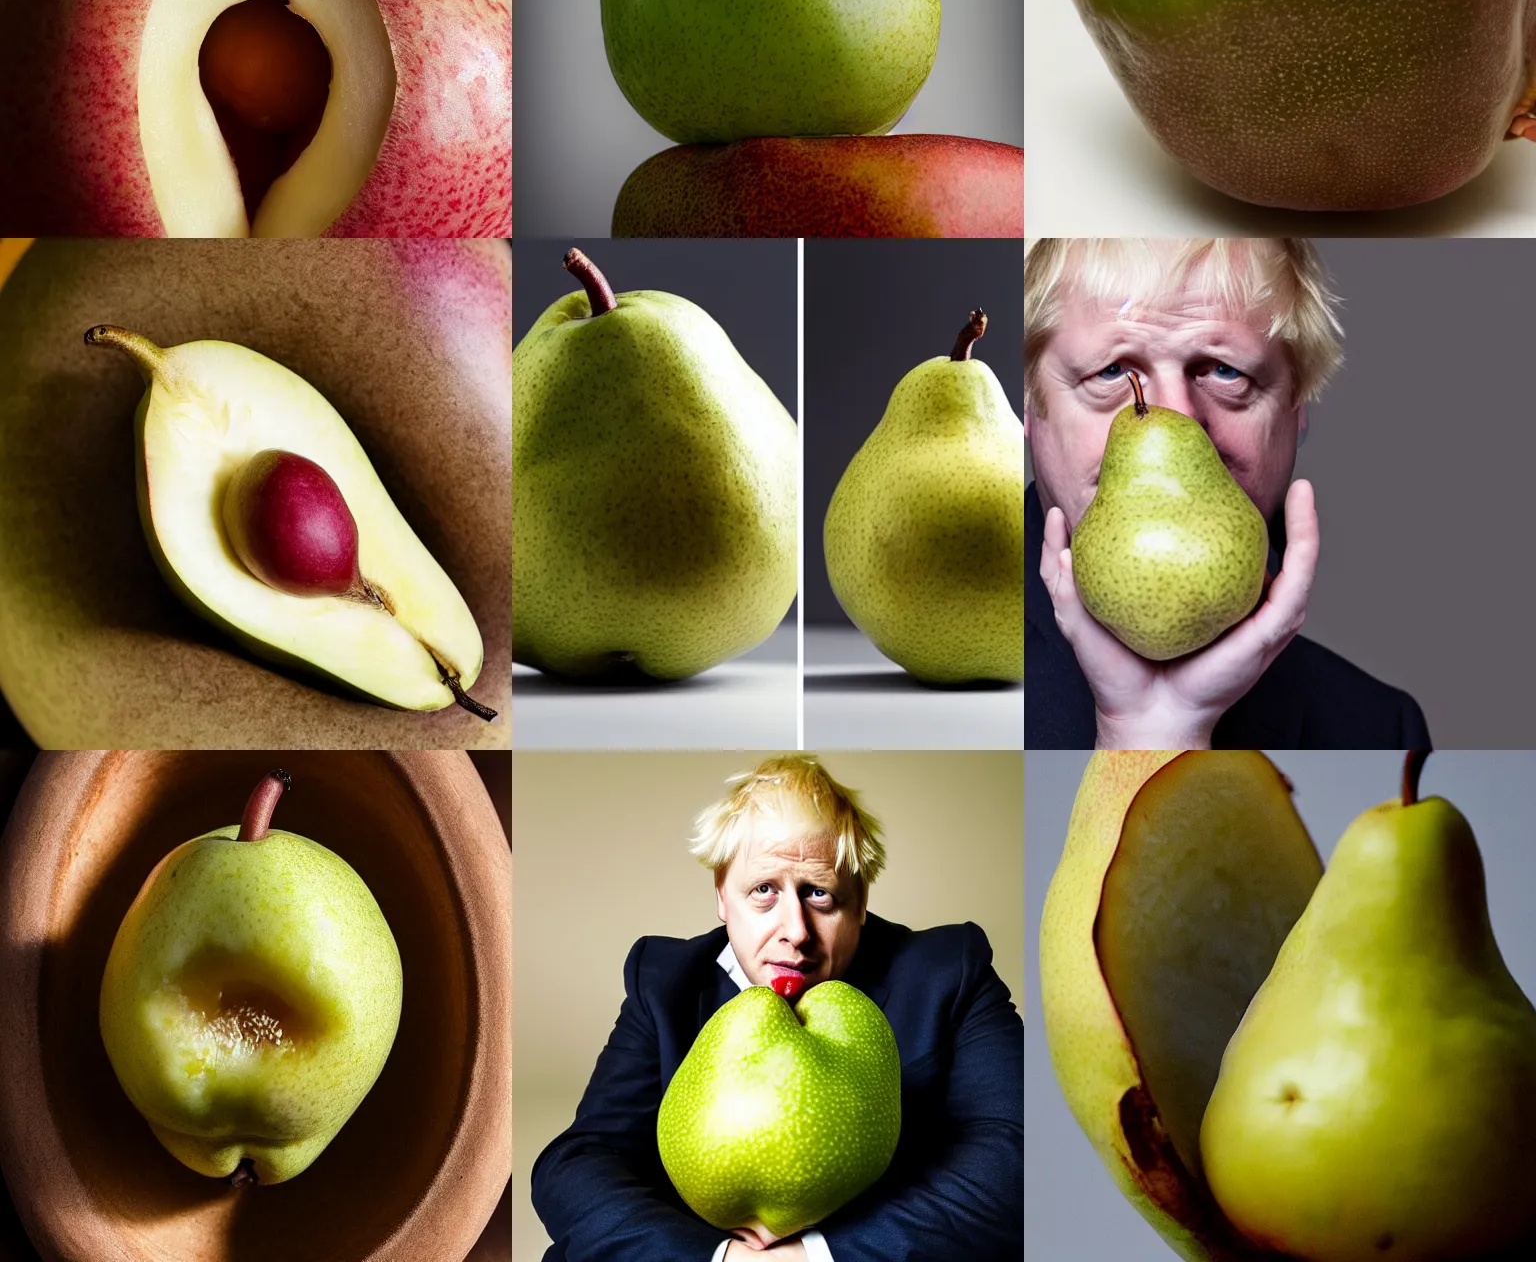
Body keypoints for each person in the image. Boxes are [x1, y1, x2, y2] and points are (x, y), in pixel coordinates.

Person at [531, 756, 1023, 1262]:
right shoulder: (663, 982)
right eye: (763, 891)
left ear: (860, 901)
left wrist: (812, 1256)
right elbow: (578, 1163)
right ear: (723, 894)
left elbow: (1021, 1152)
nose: (796, 931)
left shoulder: (949, 972)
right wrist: (723, 1259)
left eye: (819, 893)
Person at [1025, 238, 1430, 750]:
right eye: (1112, 372)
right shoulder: (947, 706)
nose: (1172, 421)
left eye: (1224, 371)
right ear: (1029, 404)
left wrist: (1169, 724)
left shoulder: (1381, 730)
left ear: (1297, 405)